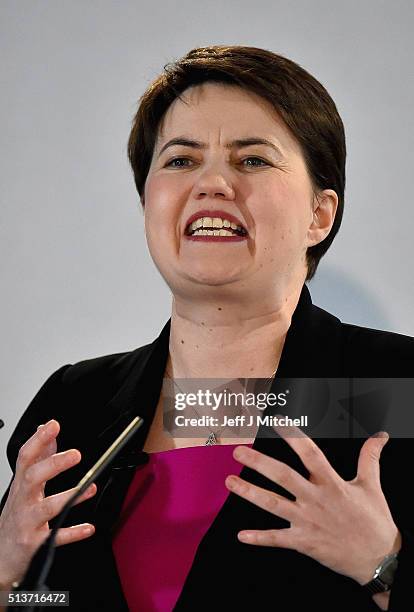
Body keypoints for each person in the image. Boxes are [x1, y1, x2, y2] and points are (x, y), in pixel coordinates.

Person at [0, 45, 413, 612]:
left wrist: (384, 565)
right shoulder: (77, 406)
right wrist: (6, 585)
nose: (212, 183)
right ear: (147, 201)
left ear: (320, 214)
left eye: (252, 161)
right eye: (179, 161)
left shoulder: (397, 390)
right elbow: (49, 604)